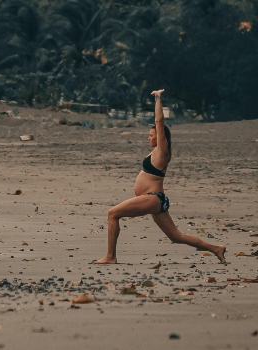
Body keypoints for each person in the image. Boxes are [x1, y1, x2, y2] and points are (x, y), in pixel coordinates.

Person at [93, 89, 226, 264]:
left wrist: (157, 99)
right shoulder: (155, 152)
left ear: (160, 136)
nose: (148, 137)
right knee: (176, 236)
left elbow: (159, 120)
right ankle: (217, 248)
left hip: (153, 198)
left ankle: (111, 256)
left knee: (112, 214)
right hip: (156, 200)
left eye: (151, 134)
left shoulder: (162, 151)